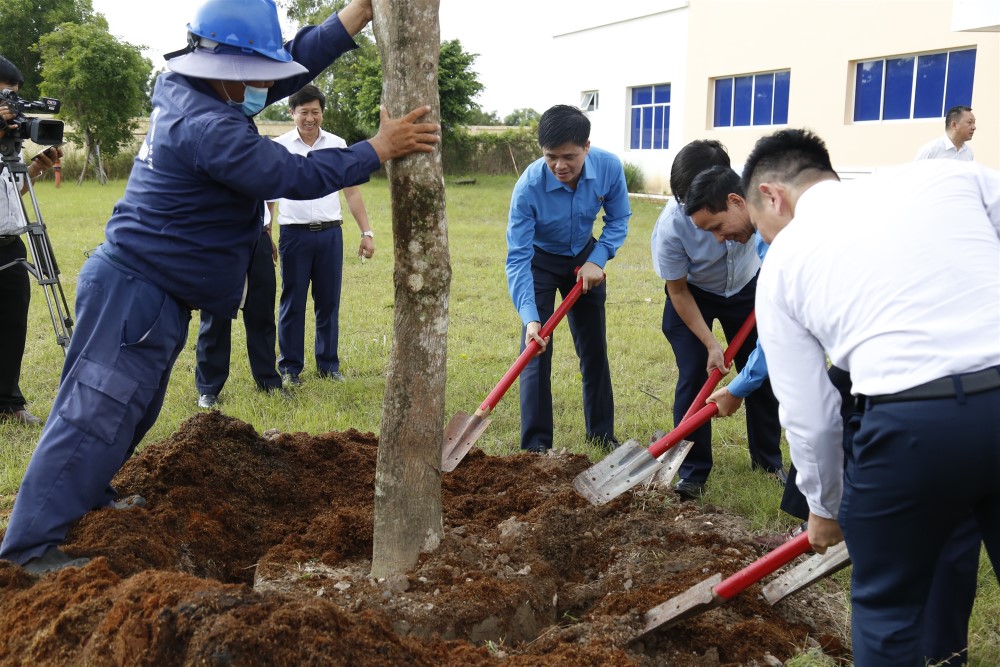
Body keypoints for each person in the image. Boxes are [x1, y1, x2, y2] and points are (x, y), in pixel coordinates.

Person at [0, 0, 439, 575]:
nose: (266, 84)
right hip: (136, 291)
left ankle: (87, 499)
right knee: (93, 414)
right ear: (226, 69)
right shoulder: (208, 128)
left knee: (129, 413)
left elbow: (290, 62)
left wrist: (358, 13)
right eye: (254, 74)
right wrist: (376, 150)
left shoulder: (189, 86)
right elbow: (291, 174)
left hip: (150, 294)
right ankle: (27, 548)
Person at [688, 164, 981, 666]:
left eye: (722, 227)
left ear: (764, 197)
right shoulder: (946, 182)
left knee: (886, 601)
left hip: (908, 409)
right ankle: (945, 654)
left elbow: (812, 414)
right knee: (954, 539)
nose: (728, 240)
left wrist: (822, 510)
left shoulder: (786, 255)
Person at [650, 140, 782, 502]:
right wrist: (710, 343)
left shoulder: (756, 204)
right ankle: (693, 472)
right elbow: (677, 291)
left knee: (761, 374)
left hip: (747, 285)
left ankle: (768, 462)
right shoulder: (672, 225)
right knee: (695, 376)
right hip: (694, 293)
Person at [505, 104, 630, 453]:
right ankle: (535, 446)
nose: (560, 166)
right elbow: (518, 256)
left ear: (587, 147)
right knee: (535, 350)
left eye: (569, 157)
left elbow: (618, 219)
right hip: (540, 262)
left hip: (584, 258)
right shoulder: (529, 186)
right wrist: (530, 317)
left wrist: (598, 259)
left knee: (593, 349)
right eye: (551, 157)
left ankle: (602, 434)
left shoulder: (608, 168)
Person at [268, 84, 374, 386]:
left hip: (330, 235)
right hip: (293, 236)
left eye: (315, 112)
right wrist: (267, 233)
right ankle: (290, 367)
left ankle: (329, 365)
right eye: (304, 112)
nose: (310, 118)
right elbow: (269, 196)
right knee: (293, 301)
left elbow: (352, 192)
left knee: (328, 302)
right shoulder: (280, 146)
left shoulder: (337, 144)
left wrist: (366, 232)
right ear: (292, 113)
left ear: (322, 113)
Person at [0, 55, 63, 427]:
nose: (13, 108)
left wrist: (36, 167)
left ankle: (9, 402)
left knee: (12, 324)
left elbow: (11, 192)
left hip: (10, 243)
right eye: (7, 97)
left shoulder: (11, 143)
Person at [194, 205, 284, 408]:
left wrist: (268, 233)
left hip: (258, 236)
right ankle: (208, 388)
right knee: (215, 317)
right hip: (221, 236)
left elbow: (269, 192)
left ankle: (267, 380)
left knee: (262, 314)